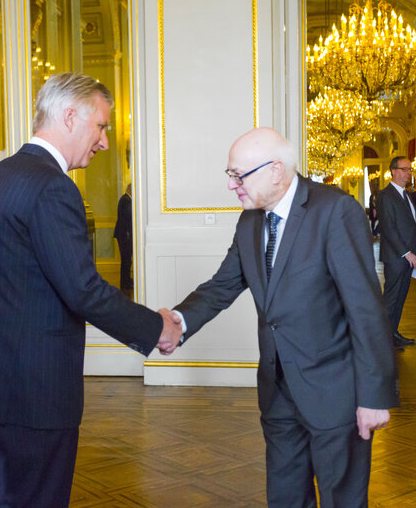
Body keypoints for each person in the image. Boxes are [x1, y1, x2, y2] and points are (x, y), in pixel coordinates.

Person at [0, 73, 181, 507]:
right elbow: (84, 291)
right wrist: (157, 328)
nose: (105, 141)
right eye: (102, 126)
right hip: (31, 390)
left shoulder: (0, 175)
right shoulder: (52, 186)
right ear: (70, 115)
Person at [169, 127, 398, 507]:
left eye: (237, 174)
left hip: (335, 394)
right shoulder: (249, 222)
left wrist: (374, 396)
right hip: (277, 393)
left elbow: (365, 308)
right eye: (231, 175)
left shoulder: (335, 210)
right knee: (286, 498)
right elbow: (222, 286)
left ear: (275, 170)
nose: (232, 186)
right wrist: (178, 320)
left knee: (343, 500)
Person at [377, 157, 416, 349]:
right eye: (404, 169)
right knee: (391, 299)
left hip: (409, 256)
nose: (408, 173)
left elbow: (411, 227)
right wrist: (406, 252)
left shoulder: (407, 195)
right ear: (393, 171)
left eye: (410, 169)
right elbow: (389, 228)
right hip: (396, 257)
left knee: (400, 298)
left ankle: (393, 333)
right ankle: (383, 339)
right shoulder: (385, 195)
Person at [114, 182, 133, 296]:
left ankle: (126, 281)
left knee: (126, 260)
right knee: (126, 260)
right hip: (124, 235)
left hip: (123, 235)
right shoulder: (126, 200)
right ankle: (125, 283)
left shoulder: (125, 199)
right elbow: (128, 218)